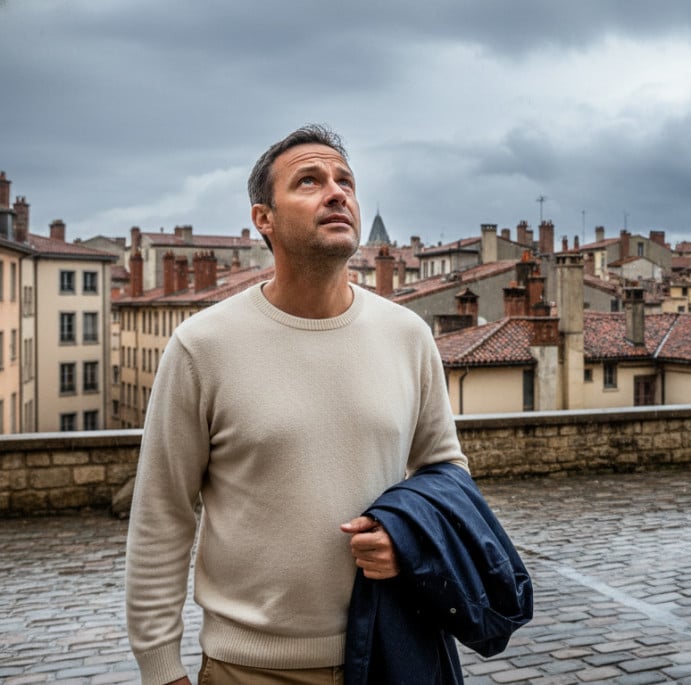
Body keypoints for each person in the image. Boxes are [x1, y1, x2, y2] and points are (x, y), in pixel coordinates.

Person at [125, 124, 470, 685]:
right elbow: (161, 515)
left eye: (345, 181)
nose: (336, 193)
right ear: (264, 218)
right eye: (309, 181)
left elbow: (446, 472)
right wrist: (160, 668)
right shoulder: (202, 345)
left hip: (395, 649)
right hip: (252, 670)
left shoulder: (408, 334)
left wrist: (408, 539)